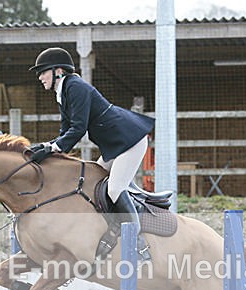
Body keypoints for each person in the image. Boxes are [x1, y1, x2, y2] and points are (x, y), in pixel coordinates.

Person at [27, 47, 155, 262]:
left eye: (43, 72)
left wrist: (53, 149)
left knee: (114, 189)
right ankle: (109, 232)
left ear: (58, 71)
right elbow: (65, 131)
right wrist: (47, 146)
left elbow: (78, 129)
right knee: (93, 183)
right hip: (115, 146)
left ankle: (138, 244)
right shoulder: (63, 91)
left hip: (130, 141)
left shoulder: (75, 87)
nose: (40, 77)